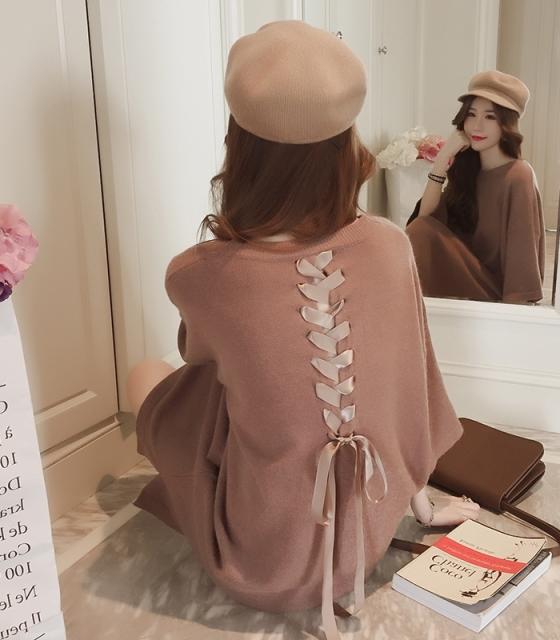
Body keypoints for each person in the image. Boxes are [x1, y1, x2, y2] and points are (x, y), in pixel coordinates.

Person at [126, 20, 479, 640]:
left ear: (237, 143)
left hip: (255, 563)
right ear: (348, 144)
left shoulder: (197, 273)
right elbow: (411, 389)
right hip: (367, 543)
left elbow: (196, 358)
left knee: (153, 375)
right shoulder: (390, 245)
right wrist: (421, 503)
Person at [405, 70, 545, 304]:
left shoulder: (518, 175)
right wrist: (442, 160)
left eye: (490, 117)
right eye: (471, 114)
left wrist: (514, 309)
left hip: (494, 290)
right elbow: (425, 221)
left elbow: (523, 248)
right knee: (420, 230)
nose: (477, 126)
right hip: (468, 276)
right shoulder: (469, 170)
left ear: (507, 124)